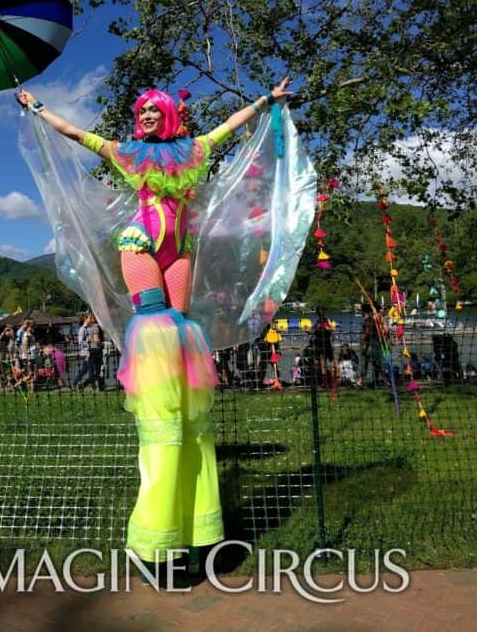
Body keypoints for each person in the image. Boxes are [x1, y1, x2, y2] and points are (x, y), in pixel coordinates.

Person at [17, 77, 314, 571]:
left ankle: (182, 427)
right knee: (155, 324)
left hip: (181, 248)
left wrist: (267, 102)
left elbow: (228, 127)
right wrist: (38, 107)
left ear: (169, 115)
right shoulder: (128, 153)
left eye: (155, 111)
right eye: (143, 112)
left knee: (177, 325)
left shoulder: (193, 151)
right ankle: (159, 411)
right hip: (141, 241)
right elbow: (74, 134)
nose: (148, 117)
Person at [358, 304, 384, 388]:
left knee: (367, 363)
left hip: (370, 344)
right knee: (376, 363)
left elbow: (368, 332)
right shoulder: (373, 319)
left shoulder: (369, 320)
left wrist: (364, 340)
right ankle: (379, 380)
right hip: (374, 343)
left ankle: (361, 381)